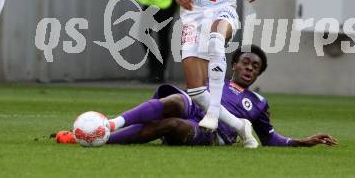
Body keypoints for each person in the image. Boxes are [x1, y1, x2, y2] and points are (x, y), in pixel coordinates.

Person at [56, 45, 338, 148]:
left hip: (210, 131)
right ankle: (111, 124)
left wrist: (302, 142)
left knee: (171, 126)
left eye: (256, 67)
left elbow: (270, 138)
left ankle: (101, 137)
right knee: (174, 101)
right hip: (195, 107)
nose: (250, 68)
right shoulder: (216, 81)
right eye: (246, 63)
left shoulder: (259, 104)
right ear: (234, 64)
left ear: (259, 73)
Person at [169, 0, 263, 148]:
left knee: (215, 37)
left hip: (224, 8)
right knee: (197, 92)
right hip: (193, 14)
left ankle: (213, 113)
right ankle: (241, 126)